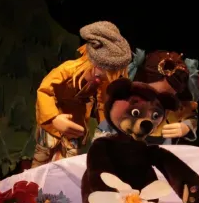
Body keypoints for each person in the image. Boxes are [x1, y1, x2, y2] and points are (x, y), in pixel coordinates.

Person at [32, 21, 131, 167]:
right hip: (53, 124)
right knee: (41, 156)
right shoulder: (67, 70)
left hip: (76, 125)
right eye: (101, 72)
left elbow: (103, 104)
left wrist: (107, 129)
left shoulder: (103, 83)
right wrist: (53, 118)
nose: (102, 78)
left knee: (68, 163)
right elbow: (45, 91)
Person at [95, 50, 199, 145]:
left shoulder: (171, 110)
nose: (159, 101)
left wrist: (186, 127)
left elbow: (190, 116)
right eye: (153, 94)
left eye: (167, 96)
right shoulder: (123, 108)